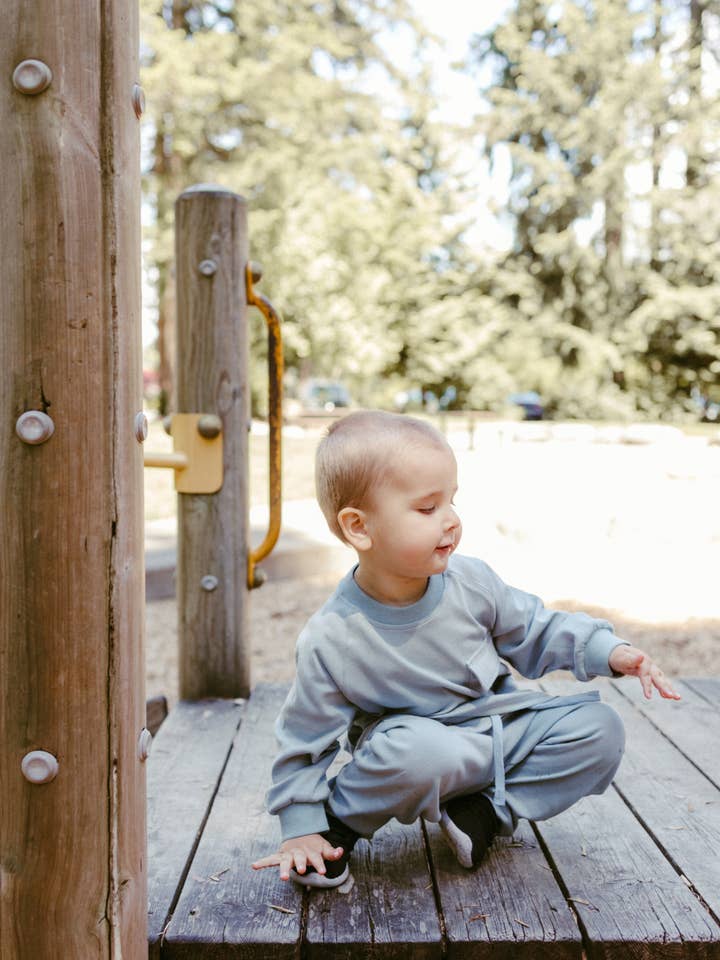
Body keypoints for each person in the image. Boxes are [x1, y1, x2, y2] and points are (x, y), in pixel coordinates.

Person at [251, 411, 680, 888]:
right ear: (358, 528)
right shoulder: (333, 636)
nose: (452, 520)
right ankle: (336, 831)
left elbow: (534, 629)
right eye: (427, 508)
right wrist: (300, 824)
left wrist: (606, 650)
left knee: (600, 730)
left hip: (496, 729)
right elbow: (304, 737)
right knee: (417, 752)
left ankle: (485, 812)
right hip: (417, 750)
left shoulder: (471, 581)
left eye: (452, 501)